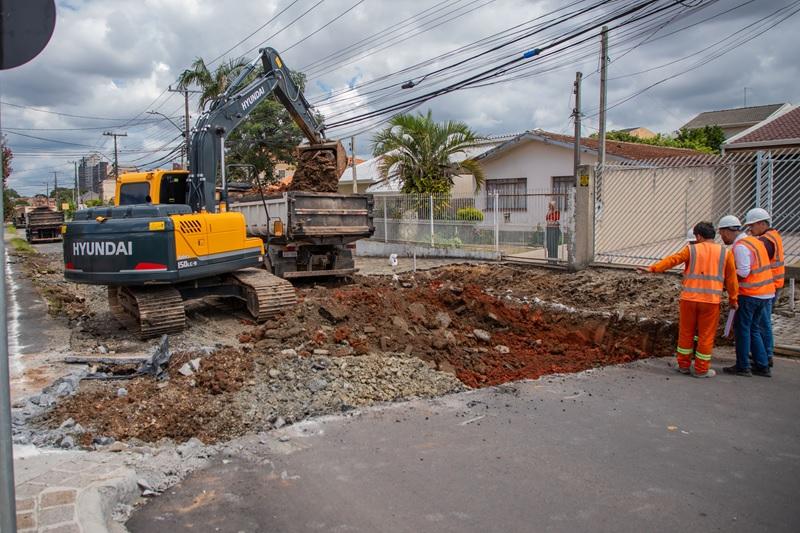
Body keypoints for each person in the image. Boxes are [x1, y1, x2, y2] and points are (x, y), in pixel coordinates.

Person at [639, 221, 737, 378]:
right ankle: (701, 369)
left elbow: (673, 260)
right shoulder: (726, 253)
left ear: (698, 236)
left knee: (686, 333)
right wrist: (733, 299)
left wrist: (653, 268)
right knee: (705, 335)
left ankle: (683, 365)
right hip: (711, 301)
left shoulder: (692, 250)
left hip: (689, 299)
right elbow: (732, 280)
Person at [717, 215, 775, 377]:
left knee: (742, 329)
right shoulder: (754, 241)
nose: (722, 238)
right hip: (765, 293)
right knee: (753, 329)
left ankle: (743, 366)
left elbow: (743, 271)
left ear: (727, 231)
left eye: (721, 234)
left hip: (750, 294)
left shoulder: (741, 247)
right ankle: (762, 365)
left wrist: (727, 279)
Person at [744, 207, 783, 368]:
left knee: (762, 323)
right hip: (772, 285)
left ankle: (766, 355)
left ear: (761, 224)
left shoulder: (766, 241)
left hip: (767, 287)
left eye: (752, 226)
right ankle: (764, 354)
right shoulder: (773, 236)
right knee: (761, 322)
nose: (750, 230)